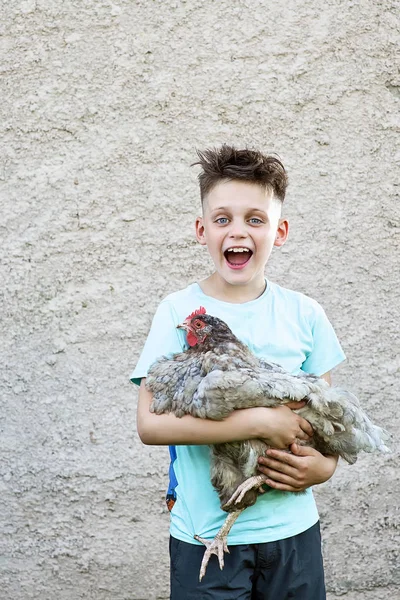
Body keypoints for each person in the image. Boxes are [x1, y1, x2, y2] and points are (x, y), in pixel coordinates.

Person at [131, 145, 345, 599]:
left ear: (279, 231)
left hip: (292, 529)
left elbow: (327, 422)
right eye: (222, 218)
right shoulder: (177, 311)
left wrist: (323, 468)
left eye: (255, 219)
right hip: (206, 535)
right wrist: (261, 421)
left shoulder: (304, 314)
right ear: (201, 230)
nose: (237, 231)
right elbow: (150, 425)